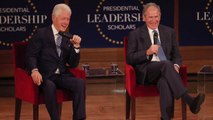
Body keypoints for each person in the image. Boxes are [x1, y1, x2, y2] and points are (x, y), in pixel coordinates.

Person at [126, 2, 205, 120]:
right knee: (166, 64)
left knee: (164, 82)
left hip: (166, 71)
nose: (154, 20)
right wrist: (146, 52)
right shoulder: (135, 34)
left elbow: (177, 55)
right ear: (144, 18)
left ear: (160, 16)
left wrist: (177, 66)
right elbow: (130, 58)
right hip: (147, 71)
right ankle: (189, 100)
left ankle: (165, 117)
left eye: (156, 16)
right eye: (150, 17)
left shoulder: (169, 32)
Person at [26, 3, 86, 120]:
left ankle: (79, 118)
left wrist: (76, 48)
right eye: (63, 18)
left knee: (79, 83)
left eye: (68, 19)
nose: (66, 22)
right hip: (45, 76)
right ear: (54, 18)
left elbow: (73, 64)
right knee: (50, 86)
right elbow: (31, 55)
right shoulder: (41, 34)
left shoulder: (68, 37)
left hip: (61, 75)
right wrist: (34, 70)